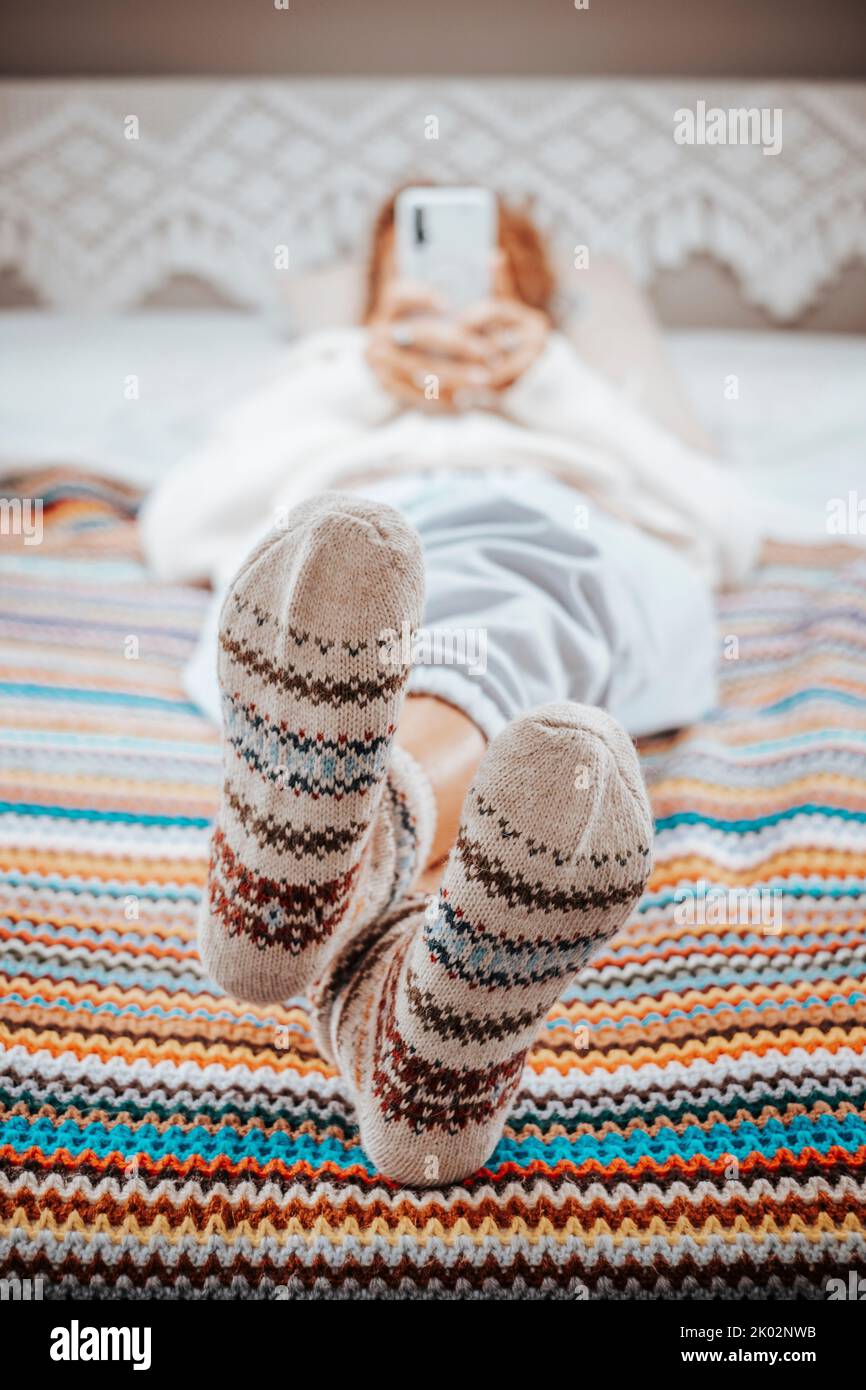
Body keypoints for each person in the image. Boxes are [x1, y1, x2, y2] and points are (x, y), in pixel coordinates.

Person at [140, 188, 760, 1185]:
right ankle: (409, 1044)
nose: (448, 286)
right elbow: (173, 524)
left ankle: (335, 844)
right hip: (362, 533)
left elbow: (730, 531)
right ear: (375, 290)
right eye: (408, 269)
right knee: (359, 568)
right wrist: (360, 372)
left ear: (532, 287)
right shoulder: (327, 377)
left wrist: (546, 379)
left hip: (557, 532)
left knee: (485, 609)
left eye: (490, 265)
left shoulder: (580, 384)